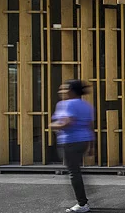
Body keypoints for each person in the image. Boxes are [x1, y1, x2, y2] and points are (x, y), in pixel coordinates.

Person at [50, 79, 95, 213]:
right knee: (76, 171)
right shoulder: (87, 105)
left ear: (71, 91)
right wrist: (92, 146)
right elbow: (90, 126)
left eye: (63, 89)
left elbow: (67, 123)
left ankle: (82, 203)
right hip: (83, 141)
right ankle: (83, 196)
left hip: (70, 141)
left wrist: (52, 125)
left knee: (73, 173)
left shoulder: (66, 104)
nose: (61, 91)